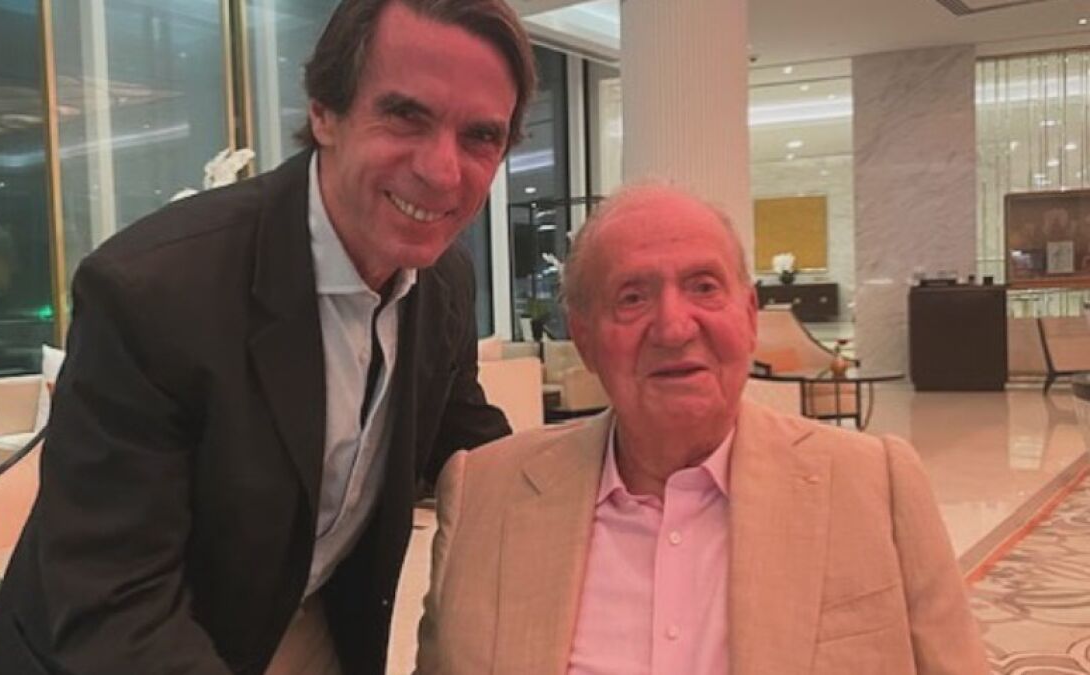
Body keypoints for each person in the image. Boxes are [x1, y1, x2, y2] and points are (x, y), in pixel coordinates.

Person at [0, 1, 534, 673]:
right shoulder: (151, 294)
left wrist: (616, 472)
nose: (443, 171)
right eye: (406, 116)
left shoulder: (442, 280)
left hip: (294, 617)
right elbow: (114, 605)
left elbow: (467, 440)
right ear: (323, 113)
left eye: (480, 136)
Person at [416, 184, 989, 674]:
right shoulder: (482, 494)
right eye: (632, 297)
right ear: (584, 338)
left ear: (749, 315)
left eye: (704, 287)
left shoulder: (877, 486)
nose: (673, 327)